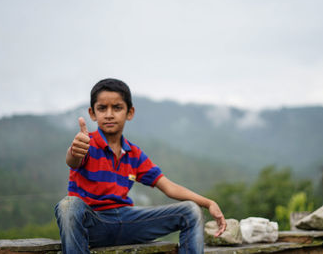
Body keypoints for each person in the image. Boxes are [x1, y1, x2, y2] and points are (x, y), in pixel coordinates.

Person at [55, 78, 226, 254]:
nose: (109, 114)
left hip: (128, 223)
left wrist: (208, 203)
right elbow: (73, 160)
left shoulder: (134, 154)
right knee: (68, 205)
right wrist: (75, 150)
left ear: (130, 112)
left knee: (190, 211)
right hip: (93, 225)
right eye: (102, 108)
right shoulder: (86, 144)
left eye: (117, 108)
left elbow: (168, 187)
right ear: (92, 113)